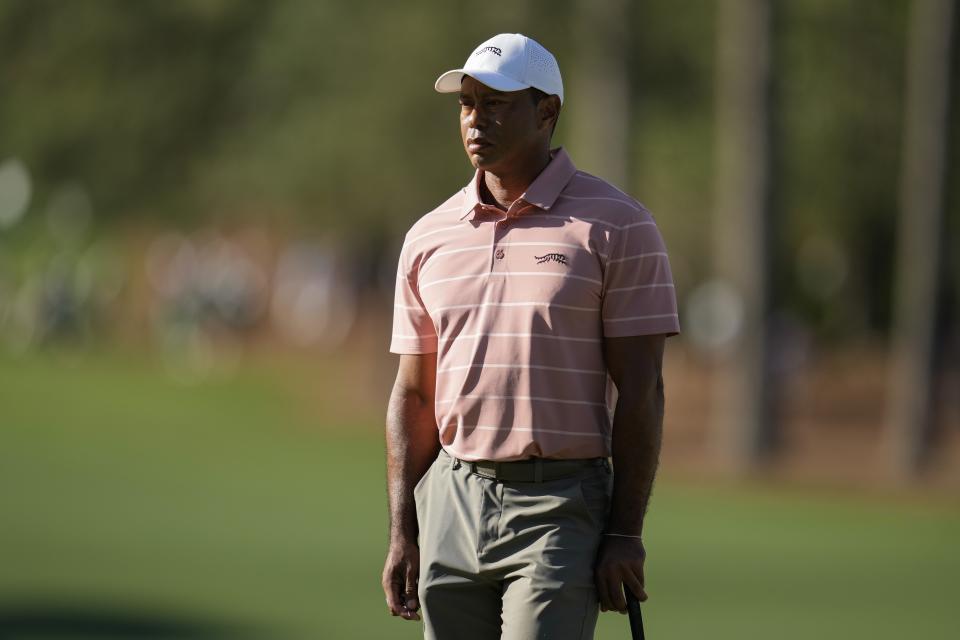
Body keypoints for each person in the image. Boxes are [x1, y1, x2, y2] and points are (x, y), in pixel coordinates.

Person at [381, 32, 680, 640]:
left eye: (496, 104)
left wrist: (625, 533)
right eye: (467, 103)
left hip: (561, 507)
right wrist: (403, 529)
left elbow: (642, 389)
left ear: (547, 112)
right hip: (453, 498)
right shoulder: (429, 236)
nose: (475, 120)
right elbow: (413, 395)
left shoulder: (619, 224)